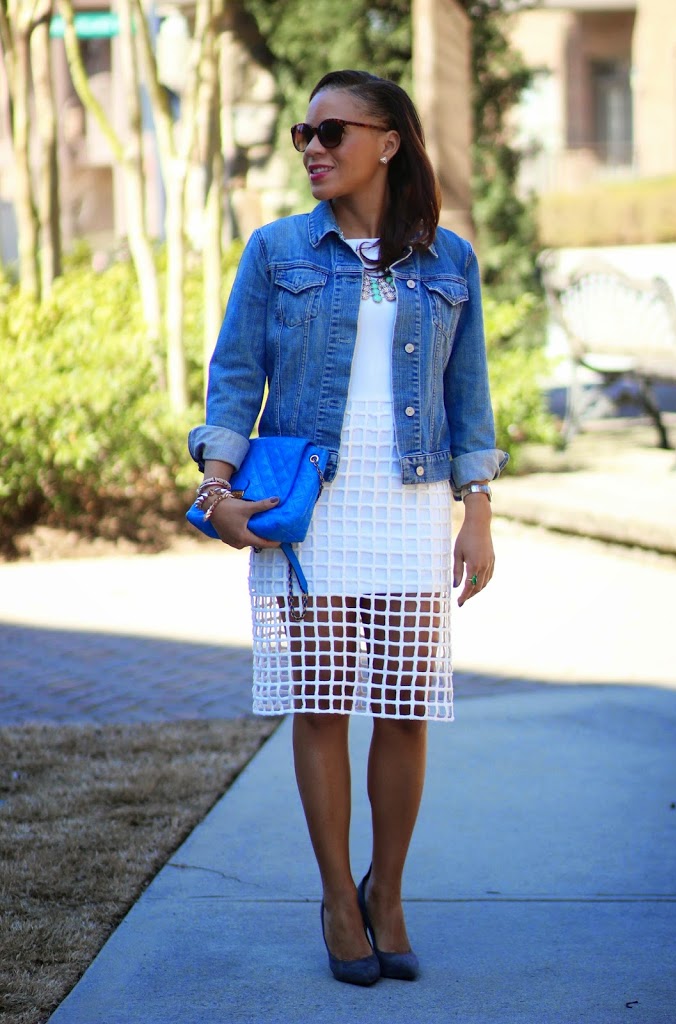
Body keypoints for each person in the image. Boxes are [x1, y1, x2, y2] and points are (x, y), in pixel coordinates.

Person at [188, 69, 508, 986]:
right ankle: (337, 898)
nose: (313, 148)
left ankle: (388, 892)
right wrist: (217, 487)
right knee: (324, 703)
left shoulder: (449, 260)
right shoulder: (276, 250)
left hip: (411, 505)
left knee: (405, 709)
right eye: (305, 133)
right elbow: (235, 375)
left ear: (388, 142)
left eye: (332, 131)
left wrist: (477, 511)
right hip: (314, 508)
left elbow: (469, 394)